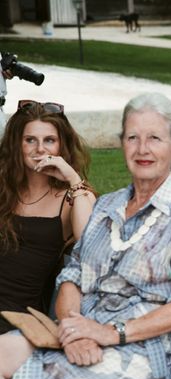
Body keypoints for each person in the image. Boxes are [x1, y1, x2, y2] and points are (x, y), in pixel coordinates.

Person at [0, 93, 171, 379]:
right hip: (78, 335)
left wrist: (108, 333)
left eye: (154, 138)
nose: (142, 148)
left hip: (140, 353)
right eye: (133, 137)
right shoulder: (109, 205)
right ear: (122, 144)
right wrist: (73, 327)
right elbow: (72, 275)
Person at [0, 100, 95, 335]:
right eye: (30, 140)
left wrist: (72, 178)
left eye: (49, 141)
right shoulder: (3, 188)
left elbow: (90, 248)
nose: (39, 149)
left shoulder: (74, 197)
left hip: (18, 320)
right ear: (17, 145)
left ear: (61, 146)